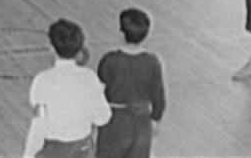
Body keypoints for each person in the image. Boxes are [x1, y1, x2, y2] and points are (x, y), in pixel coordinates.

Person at [23, 18, 112, 158]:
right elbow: (103, 117)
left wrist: (28, 155)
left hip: (52, 151)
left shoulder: (42, 81)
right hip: (83, 150)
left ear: (52, 48)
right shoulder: (89, 78)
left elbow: (39, 122)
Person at [95, 9, 167, 158]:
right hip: (141, 124)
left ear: (121, 33)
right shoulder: (152, 61)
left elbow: (99, 94)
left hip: (114, 123)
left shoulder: (110, 60)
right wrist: (154, 119)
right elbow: (159, 97)